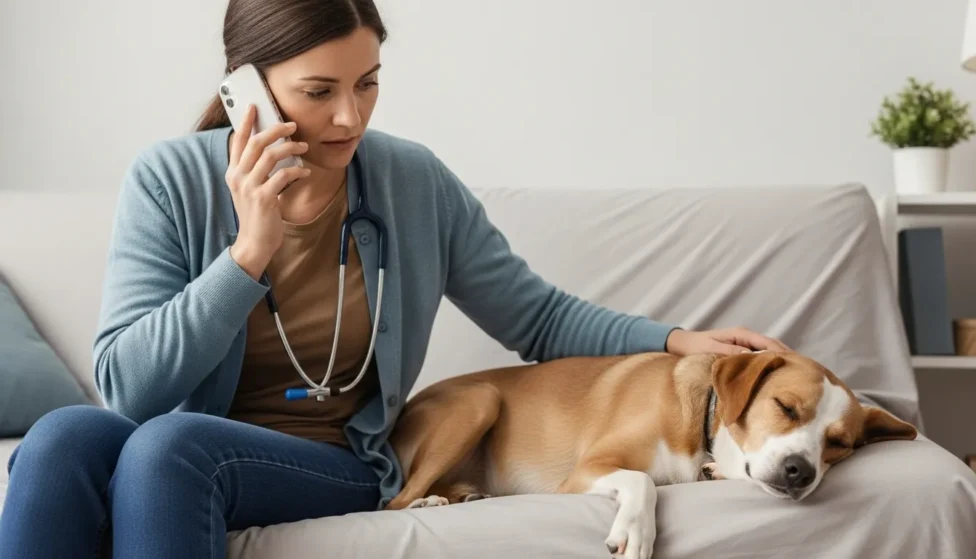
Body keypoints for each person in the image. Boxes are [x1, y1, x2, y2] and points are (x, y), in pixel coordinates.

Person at [0, 0, 788, 557]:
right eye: (319, 91)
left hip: (337, 459)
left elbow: (537, 318)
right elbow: (129, 390)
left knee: (172, 450)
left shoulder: (411, 182)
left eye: (368, 82)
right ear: (247, 87)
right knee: (62, 437)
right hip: (170, 439)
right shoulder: (169, 179)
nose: (350, 117)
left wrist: (675, 339)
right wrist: (247, 253)